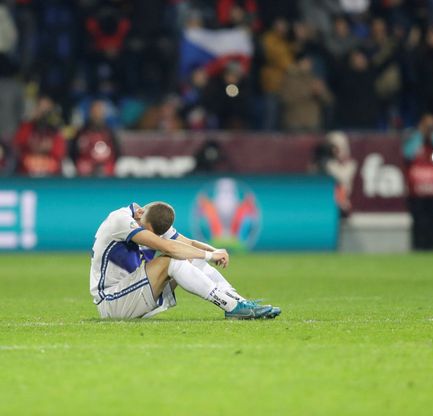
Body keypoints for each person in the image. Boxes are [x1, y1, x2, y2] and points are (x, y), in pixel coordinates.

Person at [90, 201, 280, 320]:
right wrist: (210, 256)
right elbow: (169, 248)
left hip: (130, 294)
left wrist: (215, 250)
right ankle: (231, 307)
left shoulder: (146, 218)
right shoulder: (120, 220)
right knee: (172, 260)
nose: (150, 237)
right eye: (147, 232)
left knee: (188, 255)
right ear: (138, 215)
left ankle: (239, 302)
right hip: (111, 302)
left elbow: (186, 243)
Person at [402, 113, 433, 250]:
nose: (430, 128)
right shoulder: (415, 140)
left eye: (432, 125)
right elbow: (407, 153)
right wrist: (420, 134)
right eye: (428, 125)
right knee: (419, 223)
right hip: (417, 191)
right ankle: (419, 248)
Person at [70, 99, 120, 176]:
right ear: (90, 112)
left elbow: (117, 152)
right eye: (94, 111)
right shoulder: (81, 132)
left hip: (106, 169)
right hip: (85, 170)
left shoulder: (110, 132)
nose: (97, 114)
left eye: (99, 111)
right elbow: (73, 153)